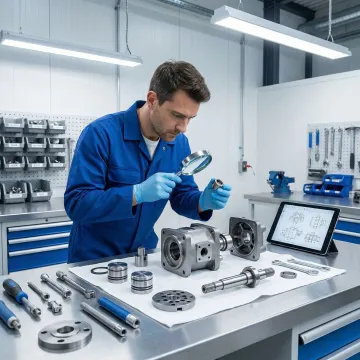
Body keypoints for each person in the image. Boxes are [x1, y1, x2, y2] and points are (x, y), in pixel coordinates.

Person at [64, 60, 232, 263]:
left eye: (190, 118)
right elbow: (77, 204)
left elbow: (181, 195)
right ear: (152, 99)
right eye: (177, 115)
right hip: (93, 261)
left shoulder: (179, 143)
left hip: (144, 256)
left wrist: (202, 202)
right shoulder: (101, 134)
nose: (183, 127)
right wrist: (136, 194)